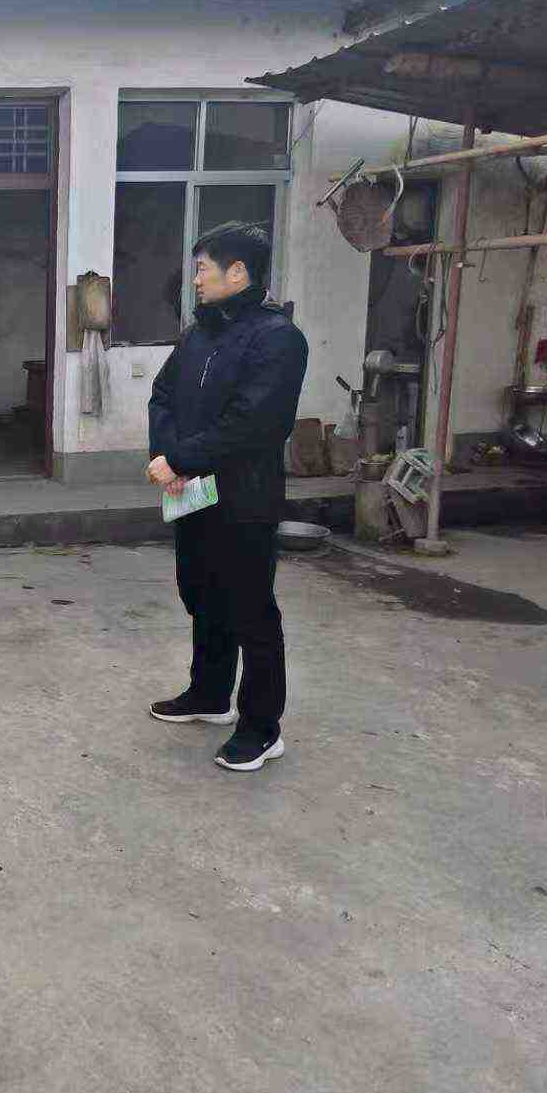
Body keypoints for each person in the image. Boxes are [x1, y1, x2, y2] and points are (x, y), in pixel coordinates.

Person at [146, 222, 309, 773]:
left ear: (238, 272)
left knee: (250, 609)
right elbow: (163, 396)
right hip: (192, 492)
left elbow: (252, 424)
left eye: (202, 269)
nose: (194, 279)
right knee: (201, 593)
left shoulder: (277, 339)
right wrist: (169, 459)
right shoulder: (198, 334)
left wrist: (180, 459)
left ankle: (262, 728)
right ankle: (210, 693)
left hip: (244, 499)